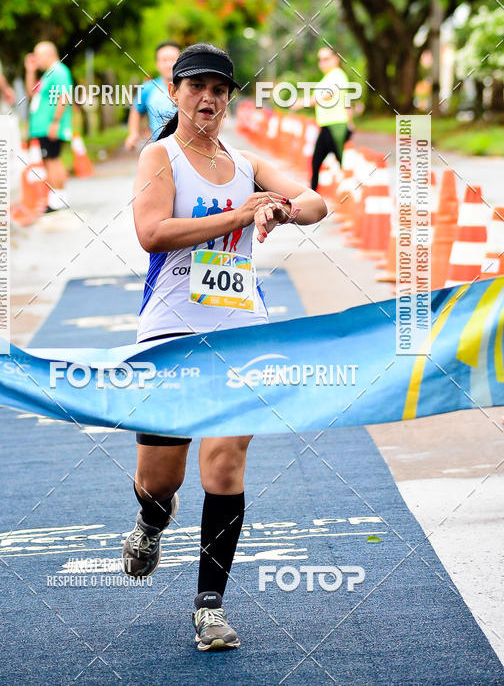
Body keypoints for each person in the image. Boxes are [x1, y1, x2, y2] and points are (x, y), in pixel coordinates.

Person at [123, 42, 327, 651]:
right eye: (196, 87)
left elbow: (316, 202)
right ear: (176, 94)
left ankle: (210, 605)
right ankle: (151, 521)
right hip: (169, 331)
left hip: (241, 331)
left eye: (218, 89)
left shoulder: (246, 162)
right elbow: (152, 233)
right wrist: (239, 217)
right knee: (161, 477)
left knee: (226, 465)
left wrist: (281, 209)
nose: (207, 98)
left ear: (228, 98)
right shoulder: (159, 157)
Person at [25, 41, 73, 213]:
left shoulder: (59, 71)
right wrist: (30, 71)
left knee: (53, 160)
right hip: (42, 126)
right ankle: (56, 198)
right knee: (49, 160)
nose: (37, 59)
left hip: (50, 125)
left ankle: (58, 199)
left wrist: (55, 122)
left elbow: (64, 96)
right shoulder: (47, 74)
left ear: (49, 54)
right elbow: (32, 92)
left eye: (39, 55)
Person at [309, 46, 355, 192]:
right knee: (322, 162)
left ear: (336, 59)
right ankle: (313, 196)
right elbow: (346, 101)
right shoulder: (328, 77)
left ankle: (312, 197)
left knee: (320, 162)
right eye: (320, 60)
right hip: (329, 126)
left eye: (326, 59)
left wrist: (303, 102)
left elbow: (326, 96)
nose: (322, 63)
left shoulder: (338, 75)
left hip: (335, 126)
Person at [125, 41, 181, 148]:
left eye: (173, 59)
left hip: (189, 147)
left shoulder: (192, 87)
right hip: (160, 147)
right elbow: (136, 111)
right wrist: (133, 134)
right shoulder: (147, 88)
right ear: (157, 64)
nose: (169, 64)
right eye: (164, 60)